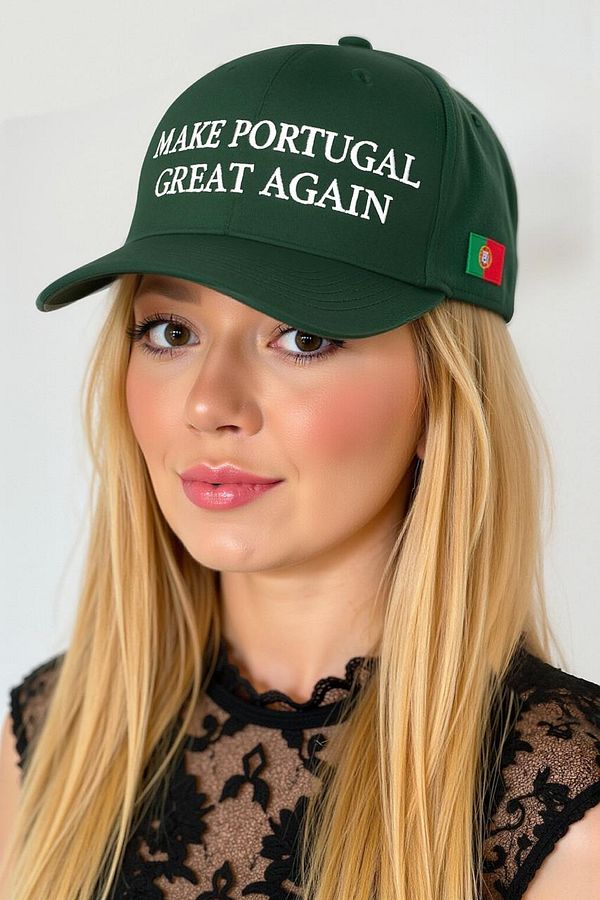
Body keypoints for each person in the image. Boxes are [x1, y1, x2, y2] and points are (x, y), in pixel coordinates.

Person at [1, 35, 600, 900]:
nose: (211, 403)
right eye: (171, 331)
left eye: (303, 337)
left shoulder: (564, 816)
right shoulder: (51, 742)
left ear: (443, 393)